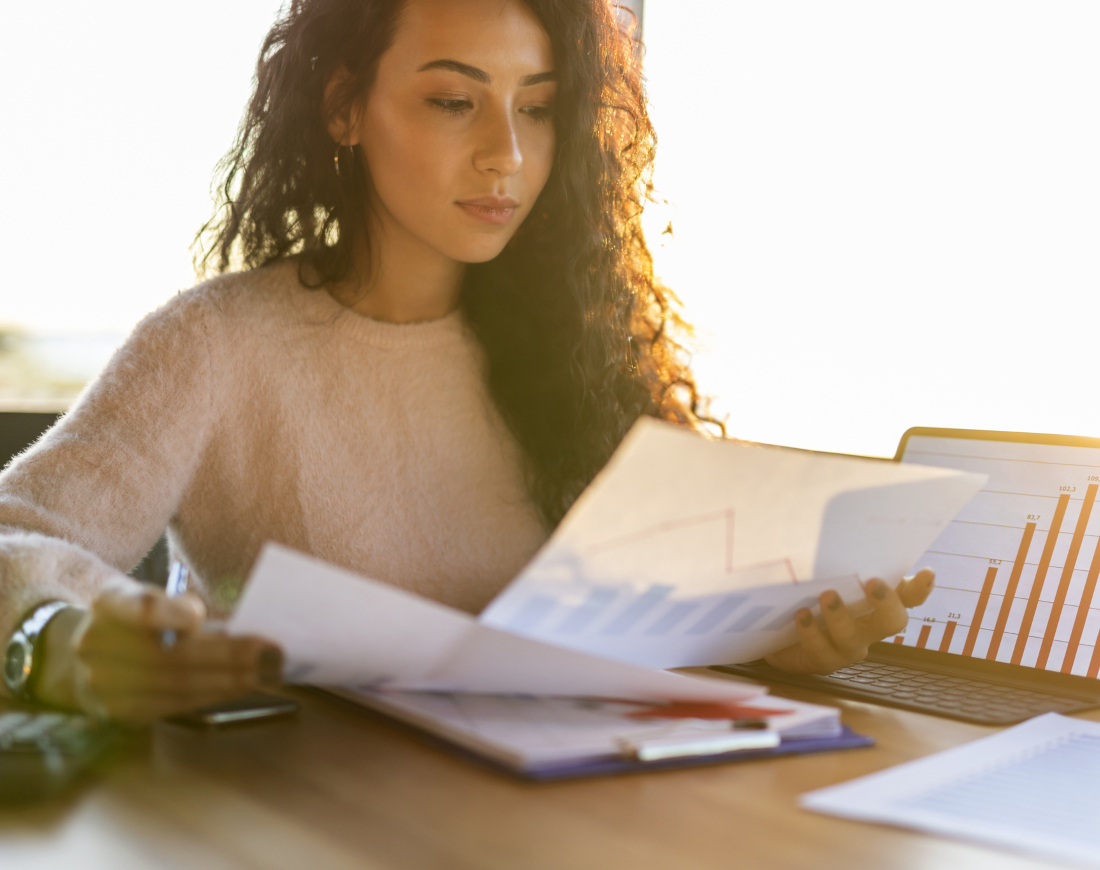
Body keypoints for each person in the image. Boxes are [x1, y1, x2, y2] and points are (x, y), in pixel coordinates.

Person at [0, 0, 933, 724]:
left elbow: (675, 605)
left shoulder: (582, 347)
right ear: (343, 107)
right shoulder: (213, 344)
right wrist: (61, 634)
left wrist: (782, 638)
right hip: (297, 819)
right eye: (454, 102)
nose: (508, 155)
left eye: (539, 107)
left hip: (560, 814)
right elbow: (16, 539)